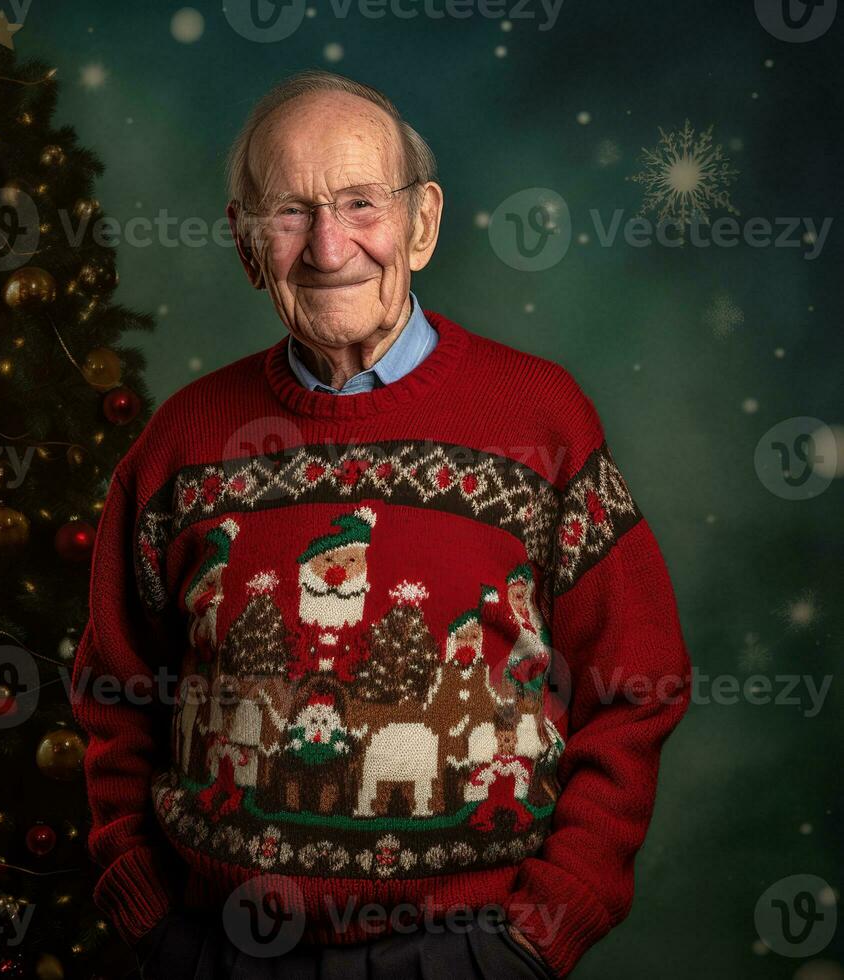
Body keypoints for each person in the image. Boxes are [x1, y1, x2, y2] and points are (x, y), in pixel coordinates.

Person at [71, 70, 691, 979]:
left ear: (424, 223)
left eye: (362, 203)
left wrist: (545, 928)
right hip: (218, 952)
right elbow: (114, 693)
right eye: (290, 212)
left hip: (468, 953)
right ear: (247, 245)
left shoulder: (539, 419)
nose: (330, 247)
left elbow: (641, 682)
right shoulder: (182, 442)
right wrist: (150, 916)